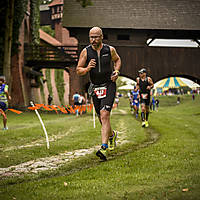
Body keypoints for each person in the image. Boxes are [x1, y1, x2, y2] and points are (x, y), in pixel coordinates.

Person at [76, 26, 121, 161]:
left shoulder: (110, 50)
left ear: (101, 37)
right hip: (95, 87)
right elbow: (78, 70)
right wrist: (87, 68)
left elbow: (117, 60)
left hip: (109, 85)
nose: (93, 40)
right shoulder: (86, 52)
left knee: (105, 114)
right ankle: (112, 135)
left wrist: (117, 72)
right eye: (91, 37)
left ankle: (103, 148)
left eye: (96, 37)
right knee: (102, 119)